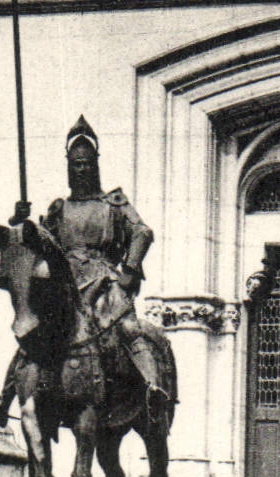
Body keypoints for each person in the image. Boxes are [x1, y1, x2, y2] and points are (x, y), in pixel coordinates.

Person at [12, 116, 169, 416]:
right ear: (68, 166)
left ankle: (152, 387)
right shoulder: (60, 208)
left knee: (127, 326)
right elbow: (42, 243)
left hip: (104, 278)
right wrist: (22, 221)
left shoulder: (115, 203)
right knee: (34, 330)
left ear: (95, 163)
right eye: (75, 164)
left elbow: (142, 232)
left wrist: (129, 271)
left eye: (85, 163)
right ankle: (7, 394)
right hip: (65, 282)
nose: (81, 169)